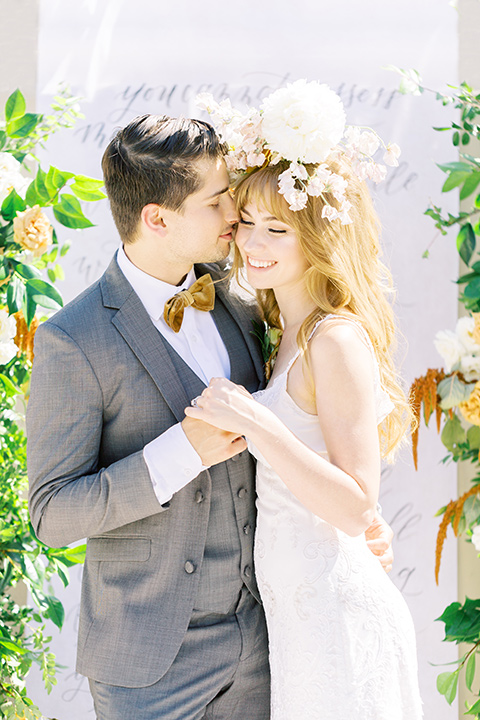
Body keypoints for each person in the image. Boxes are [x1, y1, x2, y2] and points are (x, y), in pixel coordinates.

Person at [27, 110, 394, 720]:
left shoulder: (244, 298)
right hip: (148, 664)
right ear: (157, 218)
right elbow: (52, 515)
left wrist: (355, 525)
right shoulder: (74, 339)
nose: (236, 219)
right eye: (219, 201)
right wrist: (178, 454)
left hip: (267, 644)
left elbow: (315, 426)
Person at [186, 82, 423, 719]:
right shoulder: (281, 334)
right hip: (297, 623)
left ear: (315, 237)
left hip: (339, 614)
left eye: (277, 230)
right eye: (247, 227)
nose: (253, 245)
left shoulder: (334, 336)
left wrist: (257, 425)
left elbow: (355, 504)